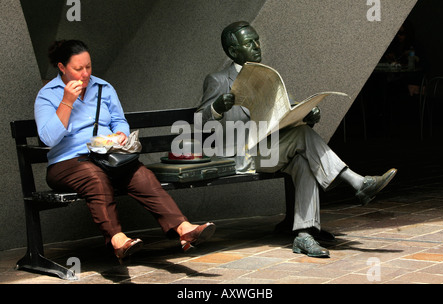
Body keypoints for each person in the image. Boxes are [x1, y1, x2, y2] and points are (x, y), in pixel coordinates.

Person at [196, 21, 397, 258]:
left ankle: (304, 235)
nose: (257, 46)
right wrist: (218, 107)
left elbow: (290, 110)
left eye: (257, 40)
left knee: (304, 161)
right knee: (303, 142)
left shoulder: (267, 76)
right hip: (242, 154)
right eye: (249, 43)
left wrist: (308, 115)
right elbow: (199, 120)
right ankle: (356, 182)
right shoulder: (219, 80)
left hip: (273, 150)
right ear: (233, 51)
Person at [35, 40, 215, 263]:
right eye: (78, 69)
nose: (85, 74)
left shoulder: (103, 88)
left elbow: (119, 120)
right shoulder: (47, 95)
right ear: (62, 67)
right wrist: (67, 101)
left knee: (142, 175)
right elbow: (48, 138)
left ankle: (184, 229)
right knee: (95, 179)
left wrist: (120, 134)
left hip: (106, 156)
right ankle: (118, 240)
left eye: (88, 67)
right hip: (68, 162)